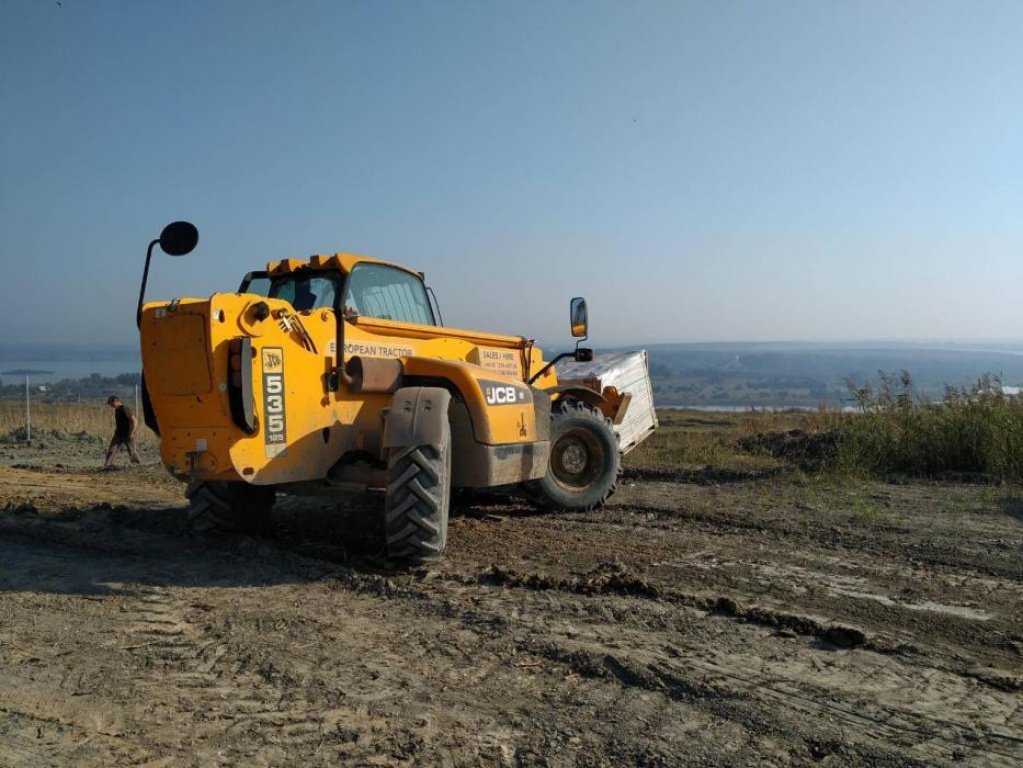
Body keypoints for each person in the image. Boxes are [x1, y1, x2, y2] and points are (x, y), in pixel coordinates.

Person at [104, 395, 141, 468]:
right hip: (118, 434)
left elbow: (134, 420)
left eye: (110, 403)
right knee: (112, 449)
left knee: (131, 450)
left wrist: (132, 432)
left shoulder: (124, 409)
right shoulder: (117, 410)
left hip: (128, 434)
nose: (110, 405)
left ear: (115, 401)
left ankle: (137, 466)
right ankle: (107, 465)